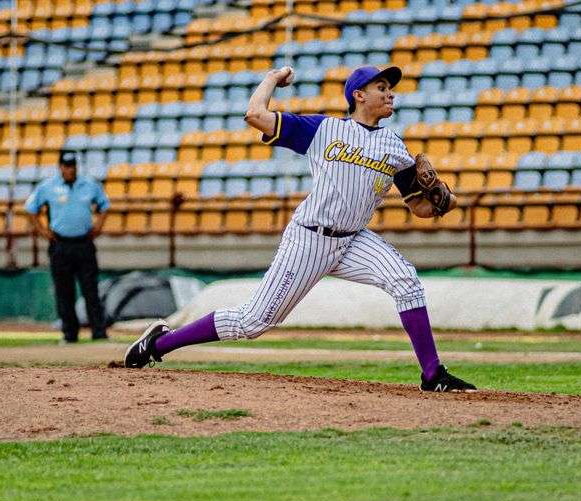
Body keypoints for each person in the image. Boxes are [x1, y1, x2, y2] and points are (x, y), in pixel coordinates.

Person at [124, 65, 476, 392]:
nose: (390, 94)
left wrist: (445, 198)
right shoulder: (324, 130)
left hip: (353, 240)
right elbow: (255, 115)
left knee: (406, 281)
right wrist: (273, 78)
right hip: (310, 238)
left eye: (390, 89)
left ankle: (433, 375)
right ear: (358, 95)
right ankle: (158, 343)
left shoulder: (394, 146)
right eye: (381, 87)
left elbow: (420, 207)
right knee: (252, 322)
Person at [25, 151, 110, 343]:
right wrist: (43, 232)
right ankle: (69, 333)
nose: (69, 169)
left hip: (84, 244)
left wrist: (98, 227)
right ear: (60, 167)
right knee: (64, 291)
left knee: (91, 289)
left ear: (76, 167)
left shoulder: (89, 185)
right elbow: (31, 210)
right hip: (60, 245)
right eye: (66, 165)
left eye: (72, 165)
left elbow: (104, 205)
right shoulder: (47, 187)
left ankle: (99, 331)